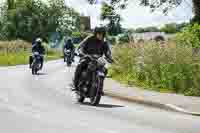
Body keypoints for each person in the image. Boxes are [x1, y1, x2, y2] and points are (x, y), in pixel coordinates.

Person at [73, 27, 113, 92]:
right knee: (80, 65)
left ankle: (99, 86)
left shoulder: (104, 41)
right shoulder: (89, 38)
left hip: (98, 59)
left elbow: (107, 52)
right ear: (95, 33)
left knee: (104, 70)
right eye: (99, 34)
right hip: (87, 57)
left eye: (102, 34)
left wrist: (110, 58)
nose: (100, 35)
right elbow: (80, 46)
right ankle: (76, 84)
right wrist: (80, 53)